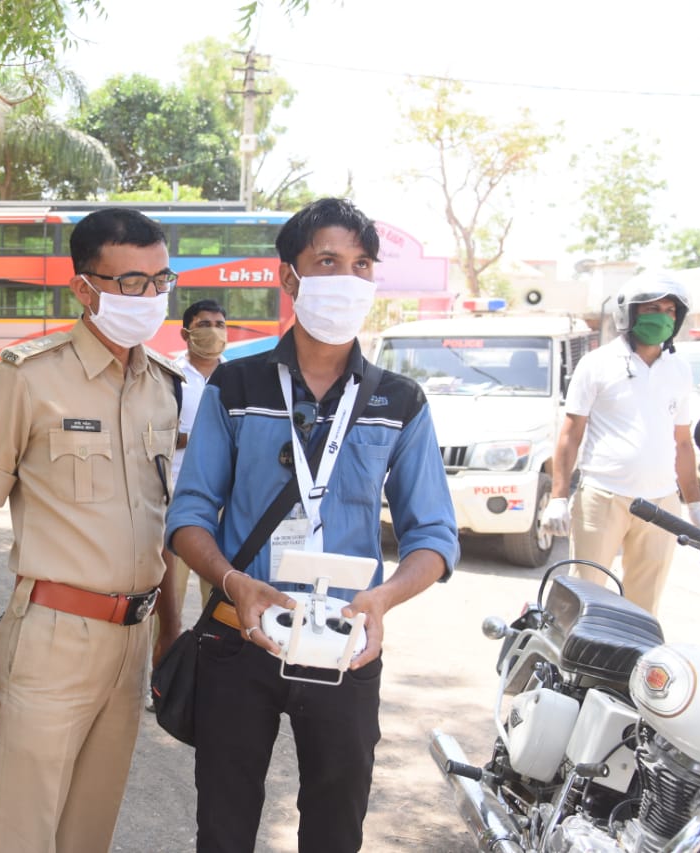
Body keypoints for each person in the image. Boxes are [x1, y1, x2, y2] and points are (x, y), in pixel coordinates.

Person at [166, 197, 458, 853]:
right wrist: (234, 582)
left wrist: (382, 599)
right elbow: (188, 517)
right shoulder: (235, 387)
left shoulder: (398, 401)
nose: (347, 279)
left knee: (335, 827)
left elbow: (434, 537)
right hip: (240, 640)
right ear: (290, 278)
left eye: (361, 265)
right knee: (224, 827)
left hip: (346, 643)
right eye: (328, 261)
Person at [0, 207, 183, 851]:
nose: (149, 296)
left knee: (87, 831)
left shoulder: (165, 387)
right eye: (131, 282)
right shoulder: (29, 377)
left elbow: (168, 527)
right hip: (54, 636)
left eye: (161, 280)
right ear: (83, 287)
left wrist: (169, 638)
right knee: (24, 830)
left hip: (133, 636)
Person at [541, 270, 700, 615]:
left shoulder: (679, 369)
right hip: (604, 497)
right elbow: (570, 435)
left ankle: (628, 667)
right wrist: (558, 498)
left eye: (670, 310)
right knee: (582, 599)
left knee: (643, 607)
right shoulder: (597, 364)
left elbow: (682, 444)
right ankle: (569, 666)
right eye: (652, 309)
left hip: (661, 504)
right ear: (629, 314)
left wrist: (695, 507)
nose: (662, 317)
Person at [152, 300, 228, 647]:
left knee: (222, 598)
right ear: (186, 333)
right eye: (204, 324)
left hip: (225, 505)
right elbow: (151, 435)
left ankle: (214, 678)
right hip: (177, 500)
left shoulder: (236, 379)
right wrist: (196, 438)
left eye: (219, 324)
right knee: (170, 600)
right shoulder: (169, 378)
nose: (213, 332)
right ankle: (163, 681)